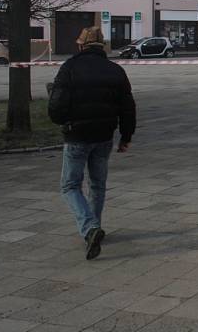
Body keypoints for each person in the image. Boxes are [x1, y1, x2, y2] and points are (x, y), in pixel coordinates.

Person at [48, 26, 136, 259]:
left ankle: (89, 228)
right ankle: (94, 227)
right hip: (104, 136)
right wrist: (126, 137)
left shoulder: (69, 68)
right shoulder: (115, 70)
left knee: (69, 186)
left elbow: (56, 106)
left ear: (81, 45)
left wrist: (60, 120)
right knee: (97, 184)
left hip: (76, 135)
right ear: (102, 46)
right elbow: (128, 107)